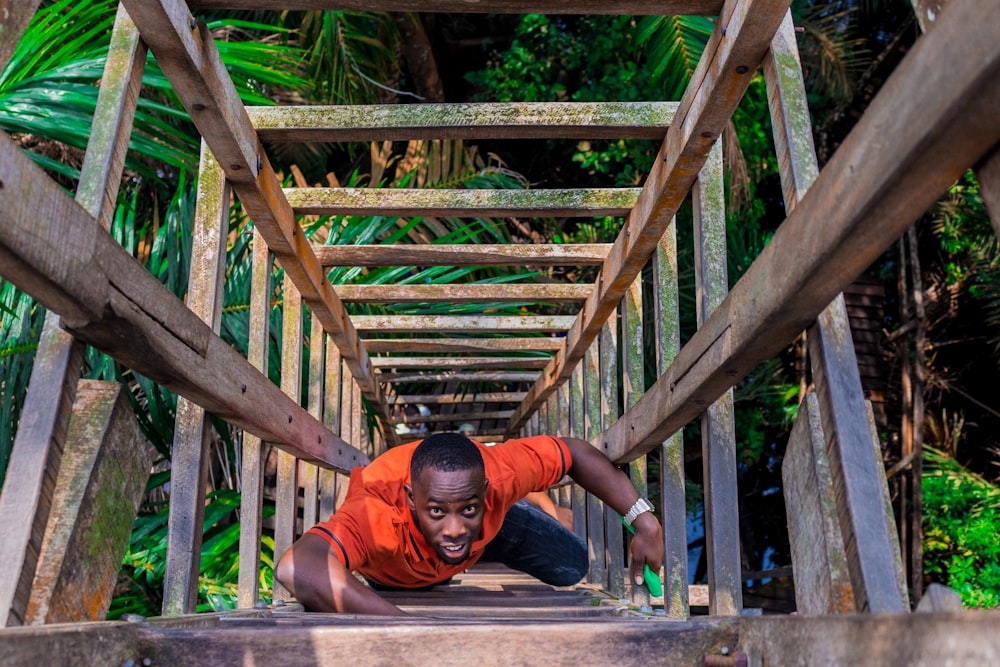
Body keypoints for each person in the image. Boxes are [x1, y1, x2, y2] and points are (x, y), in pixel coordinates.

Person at [275, 432, 663, 615]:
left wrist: (643, 520)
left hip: (490, 530)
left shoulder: (503, 472)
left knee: (572, 564)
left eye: (469, 508)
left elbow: (574, 451)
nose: (455, 527)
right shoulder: (377, 510)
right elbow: (298, 567)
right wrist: (405, 626)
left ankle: (493, 525)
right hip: (401, 572)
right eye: (437, 511)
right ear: (412, 500)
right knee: (449, 547)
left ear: (486, 489)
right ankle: (461, 538)